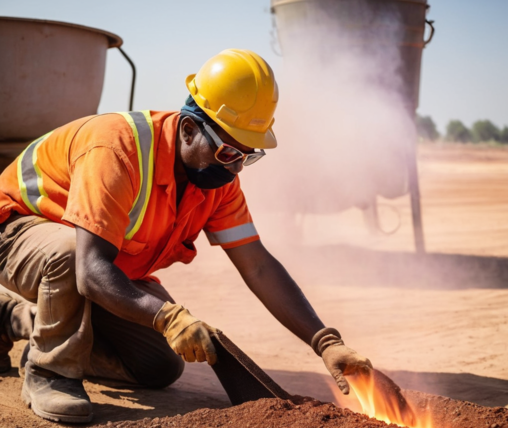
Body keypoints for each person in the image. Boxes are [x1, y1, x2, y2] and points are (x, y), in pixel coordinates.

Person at [0, 49, 372, 423]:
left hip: (95, 264)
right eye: (228, 151)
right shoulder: (117, 148)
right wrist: (168, 317)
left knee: (157, 366)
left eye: (248, 155)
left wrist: (325, 342)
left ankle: (17, 318)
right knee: (68, 252)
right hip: (16, 231)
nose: (236, 166)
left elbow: (257, 265)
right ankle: (50, 372)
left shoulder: (218, 180)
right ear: (189, 128)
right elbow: (90, 269)